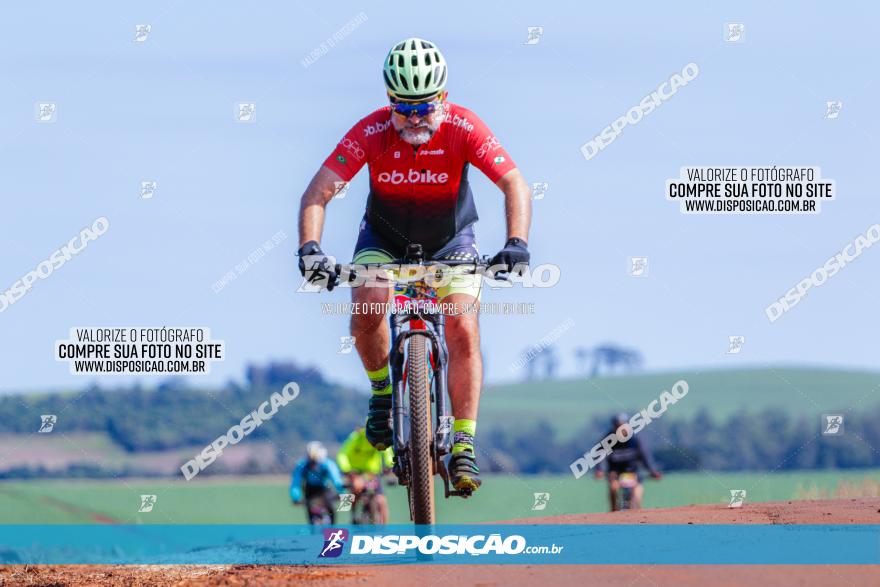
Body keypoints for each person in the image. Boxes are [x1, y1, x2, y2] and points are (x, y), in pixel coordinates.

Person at [296, 37, 532, 495]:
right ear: (389, 101)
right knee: (368, 305)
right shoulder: (370, 132)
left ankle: (463, 441)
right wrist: (310, 248)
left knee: (462, 325)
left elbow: (514, 184)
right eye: (404, 109)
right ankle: (383, 394)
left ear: (443, 97)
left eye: (425, 108)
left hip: (451, 241)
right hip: (383, 240)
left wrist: (516, 242)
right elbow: (316, 194)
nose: (415, 119)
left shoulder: (465, 127)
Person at [595, 413, 662, 511]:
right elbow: (599, 455)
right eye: (617, 426)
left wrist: (652, 471)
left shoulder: (635, 440)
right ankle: (613, 512)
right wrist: (599, 470)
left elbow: (645, 456)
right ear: (614, 427)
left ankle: (637, 516)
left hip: (633, 472)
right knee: (613, 488)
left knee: (636, 497)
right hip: (615, 472)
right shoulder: (608, 440)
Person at [336, 426, 394, 523]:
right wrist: (347, 470)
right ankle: (353, 516)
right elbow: (342, 454)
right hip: (355, 472)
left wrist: (390, 466)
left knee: (381, 501)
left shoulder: (380, 438)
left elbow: (388, 453)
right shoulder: (356, 437)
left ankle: (384, 528)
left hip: (372, 473)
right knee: (354, 489)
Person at [290, 441, 346, 523]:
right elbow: (296, 482)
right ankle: (314, 529)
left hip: (324, 489)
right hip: (309, 490)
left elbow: (335, 478)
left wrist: (341, 490)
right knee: (310, 510)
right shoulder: (302, 465)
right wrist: (296, 497)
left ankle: (332, 529)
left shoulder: (327, 464)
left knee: (330, 508)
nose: (314, 464)